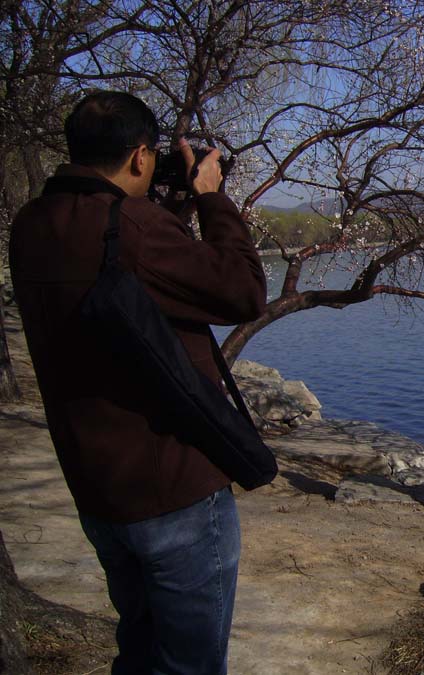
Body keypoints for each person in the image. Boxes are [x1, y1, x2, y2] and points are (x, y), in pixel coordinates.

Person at [9, 91, 266, 673]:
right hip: (173, 489)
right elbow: (244, 293)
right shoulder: (136, 228)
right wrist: (211, 199)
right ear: (138, 158)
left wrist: (163, 211)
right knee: (189, 665)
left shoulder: (31, 226)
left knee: (140, 649)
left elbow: (129, 283)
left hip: (98, 485)